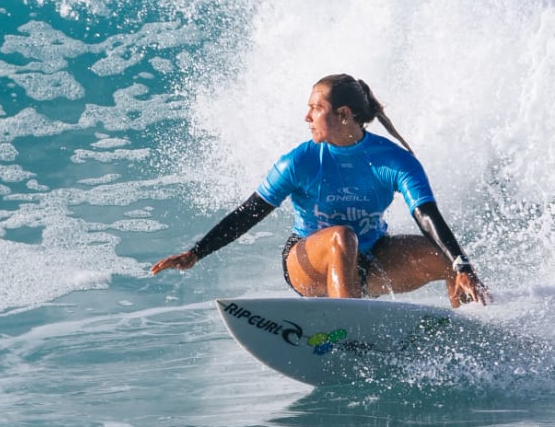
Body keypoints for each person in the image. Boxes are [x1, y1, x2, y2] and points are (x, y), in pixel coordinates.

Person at [151, 73, 490, 308]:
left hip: (370, 259)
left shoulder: (394, 161)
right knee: (341, 237)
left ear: (343, 114)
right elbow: (250, 212)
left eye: (316, 108)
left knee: (446, 260)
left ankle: (466, 329)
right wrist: (197, 252)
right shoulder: (301, 161)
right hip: (307, 263)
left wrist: (463, 267)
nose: (307, 116)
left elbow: (427, 214)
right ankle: (350, 333)